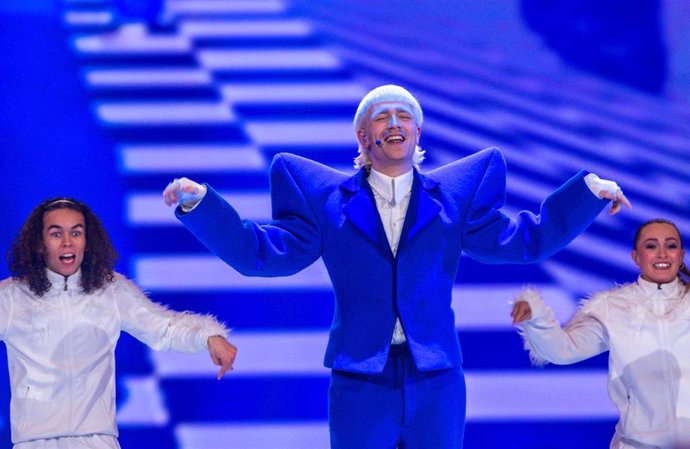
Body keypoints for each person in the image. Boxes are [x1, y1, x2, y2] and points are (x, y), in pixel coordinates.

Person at [162, 84, 630, 448]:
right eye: (380, 117)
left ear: (417, 132)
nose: (394, 123)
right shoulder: (327, 202)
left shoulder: (453, 199)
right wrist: (202, 205)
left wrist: (588, 193)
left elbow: (524, 240)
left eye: (403, 115)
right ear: (363, 136)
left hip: (436, 376)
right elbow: (259, 253)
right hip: (361, 376)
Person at [2, 197, 238, 449]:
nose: (67, 242)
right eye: (56, 233)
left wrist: (209, 337)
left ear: (86, 241)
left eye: (76, 233)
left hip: (98, 441)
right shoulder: (11, 298)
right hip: (34, 442)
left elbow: (165, 328)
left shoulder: (110, 291)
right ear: (39, 243)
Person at [511, 218, 690, 449]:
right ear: (636, 257)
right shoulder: (613, 309)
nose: (662, 253)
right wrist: (536, 315)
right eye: (652, 246)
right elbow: (564, 350)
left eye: (671, 245)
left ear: (681, 254)